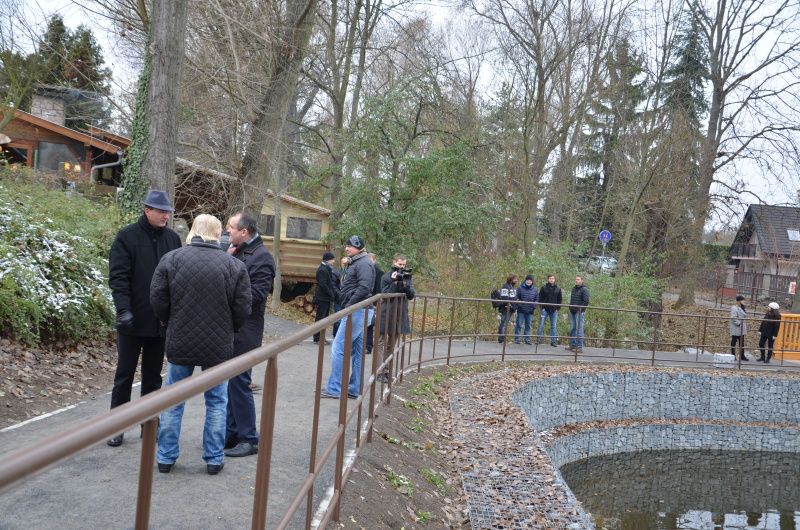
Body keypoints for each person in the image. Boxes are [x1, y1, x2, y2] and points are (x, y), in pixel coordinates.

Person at [150, 214, 251, 475]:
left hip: (180, 339)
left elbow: (158, 297)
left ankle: (166, 456)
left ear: (194, 230)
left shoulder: (172, 259)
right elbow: (243, 306)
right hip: (218, 344)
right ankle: (214, 458)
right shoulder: (233, 265)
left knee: (174, 399)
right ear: (219, 235)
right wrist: (232, 328)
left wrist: (167, 321)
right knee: (217, 402)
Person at [106, 190, 182, 447]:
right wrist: (123, 309)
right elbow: (118, 278)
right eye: (160, 211)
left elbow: (178, 280)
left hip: (160, 322)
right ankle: (116, 426)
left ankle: (149, 424)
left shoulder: (173, 240)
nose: (165, 216)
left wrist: (174, 313)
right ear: (146, 210)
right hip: (132, 320)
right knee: (124, 375)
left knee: (153, 377)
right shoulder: (127, 238)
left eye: (167, 211)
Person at [223, 212, 276, 458]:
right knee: (230, 382)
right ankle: (231, 433)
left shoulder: (262, 258)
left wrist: (225, 298)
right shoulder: (236, 251)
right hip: (232, 327)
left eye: (231, 228)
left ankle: (249, 438)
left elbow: (256, 296)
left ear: (244, 232)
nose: (227, 231)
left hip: (246, 329)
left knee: (240, 382)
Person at [321, 236, 375, 399]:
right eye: (346, 246)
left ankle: (334, 387)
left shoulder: (363, 263)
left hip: (357, 311)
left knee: (338, 347)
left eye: (350, 246)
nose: (346, 248)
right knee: (357, 351)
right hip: (361, 310)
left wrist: (349, 306)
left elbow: (364, 288)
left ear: (358, 247)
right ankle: (354, 388)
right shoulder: (358, 262)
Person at [376, 254, 415, 382]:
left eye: (404, 265)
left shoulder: (407, 276)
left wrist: (404, 284)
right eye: (400, 264)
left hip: (399, 314)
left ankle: (386, 371)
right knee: (380, 342)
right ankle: (379, 371)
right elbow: (386, 294)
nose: (402, 267)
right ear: (394, 262)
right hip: (386, 313)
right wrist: (394, 282)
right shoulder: (386, 276)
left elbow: (410, 295)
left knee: (391, 345)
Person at [313, 251, 337, 344]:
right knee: (321, 318)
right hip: (323, 298)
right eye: (332, 259)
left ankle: (321, 337)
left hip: (325, 298)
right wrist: (330, 293)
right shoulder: (322, 270)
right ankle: (317, 337)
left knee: (324, 318)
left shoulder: (326, 269)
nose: (333, 261)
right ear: (328, 260)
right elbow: (323, 284)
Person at [365, 253, 384, 355]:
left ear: (374, 260)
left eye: (370, 260)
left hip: (374, 301)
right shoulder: (366, 270)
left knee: (370, 324)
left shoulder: (379, 273)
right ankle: (367, 345)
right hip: (367, 300)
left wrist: (376, 303)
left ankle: (368, 346)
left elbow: (379, 289)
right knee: (367, 324)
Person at [537, 274, 562, 346]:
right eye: (550, 278)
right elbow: (540, 298)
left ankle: (553, 341)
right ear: (548, 279)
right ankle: (538, 340)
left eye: (553, 278)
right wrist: (542, 307)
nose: (551, 280)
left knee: (553, 326)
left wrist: (558, 308)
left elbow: (560, 299)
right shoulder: (544, 287)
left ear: (555, 280)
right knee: (541, 325)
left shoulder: (558, 288)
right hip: (545, 309)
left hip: (554, 310)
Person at [567, 275, 589, 353]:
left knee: (579, 329)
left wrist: (580, 310)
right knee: (573, 328)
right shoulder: (574, 288)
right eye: (576, 279)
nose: (576, 280)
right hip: (572, 311)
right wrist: (570, 307)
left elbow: (586, 301)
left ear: (582, 280)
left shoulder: (584, 289)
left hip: (579, 312)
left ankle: (579, 347)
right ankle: (573, 345)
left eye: (578, 279)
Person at [514, 275, 538, 345]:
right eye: (527, 280)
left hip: (530, 311)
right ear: (525, 280)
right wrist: (520, 305)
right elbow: (516, 298)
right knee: (519, 325)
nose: (529, 281)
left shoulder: (535, 289)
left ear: (532, 281)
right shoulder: (520, 288)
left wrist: (534, 306)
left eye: (530, 280)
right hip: (521, 310)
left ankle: (527, 339)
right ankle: (517, 339)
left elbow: (537, 299)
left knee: (528, 326)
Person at [497, 274, 518, 343]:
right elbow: (504, 297)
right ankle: (501, 338)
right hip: (506, 308)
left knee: (505, 323)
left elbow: (513, 297)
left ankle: (502, 337)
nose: (516, 280)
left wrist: (514, 306)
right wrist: (508, 304)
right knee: (503, 323)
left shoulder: (512, 287)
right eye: (515, 279)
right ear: (511, 279)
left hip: (512, 308)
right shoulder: (505, 286)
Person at [730, 294, 748, 361]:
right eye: (743, 300)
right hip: (736, 328)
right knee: (734, 341)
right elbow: (733, 317)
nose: (744, 301)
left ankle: (742, 356)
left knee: (742, 342)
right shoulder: (734, 308)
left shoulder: (742, 307)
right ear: (739, 301)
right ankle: (733, 355)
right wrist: (739, 323)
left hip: (741, 329)